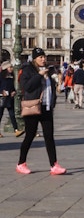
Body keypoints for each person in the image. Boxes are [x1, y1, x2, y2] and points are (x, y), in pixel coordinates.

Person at [16, 47, 66, 175]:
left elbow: (51, 88)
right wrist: (39, 75)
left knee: (49, 137)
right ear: (34, 59)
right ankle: (21, 163)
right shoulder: (27, 69)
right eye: (41, 57)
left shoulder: (48, 70)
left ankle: (54, 165)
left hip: (46, 107)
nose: (44, 59)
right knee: (30, 135)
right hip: (33, 107)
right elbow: (27, 87)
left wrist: (53, 101)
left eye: (44, 57)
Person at [0, 60, 24, 138]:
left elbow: (12, 86)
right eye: (10, 67)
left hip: (10, 98)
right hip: (2, 98)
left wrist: (13, 91)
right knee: (0, 115)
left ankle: (16, 130)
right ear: (5, 68)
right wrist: (1, 91)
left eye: (11, 67)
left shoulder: (11, 76)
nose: (11, 68)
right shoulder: (1, 76)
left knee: (12, 115)